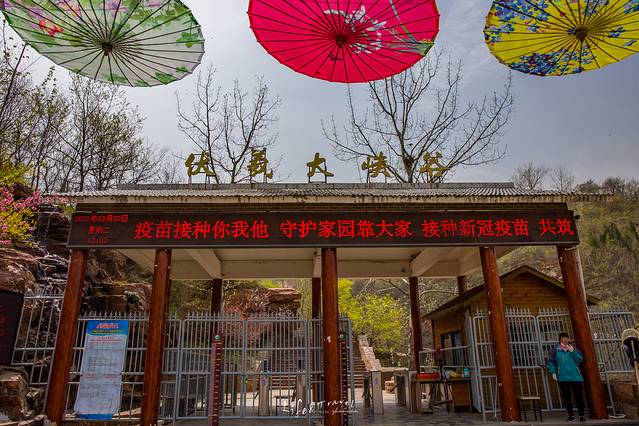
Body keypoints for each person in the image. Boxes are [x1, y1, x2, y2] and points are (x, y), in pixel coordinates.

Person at [547, 332, 586, 422]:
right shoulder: (555, 350)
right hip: (563, 377)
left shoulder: (573, 349)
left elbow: (580, 359)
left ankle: (581, 415)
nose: (565, 339)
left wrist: (573, 352)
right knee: (567, 397)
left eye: (567, 338)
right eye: (563, 338)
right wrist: (553, 372)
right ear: (560, 339)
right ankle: (571, 416)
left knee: (579, 397)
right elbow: (551, 362)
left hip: (576, 377)